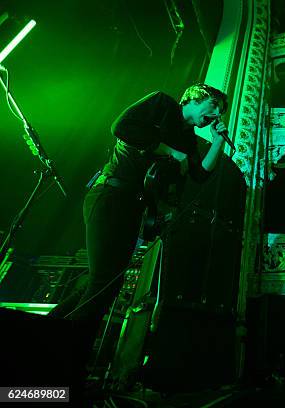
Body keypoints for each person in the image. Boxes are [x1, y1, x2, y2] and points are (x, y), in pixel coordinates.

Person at [50, 84, 229, 323]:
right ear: (194, 99)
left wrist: (218, 142)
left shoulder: (187, 139)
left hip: (135, 206)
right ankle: (68, 347)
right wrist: (169, 151)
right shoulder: (162, 104)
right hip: (111, 194)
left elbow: (199, 175)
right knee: (104, 280)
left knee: (106, 281)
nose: (216, 114)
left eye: (221, 111)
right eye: (214, 106)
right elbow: (121, 127)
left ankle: (46, 334)